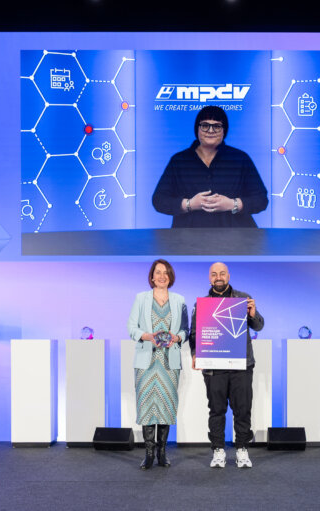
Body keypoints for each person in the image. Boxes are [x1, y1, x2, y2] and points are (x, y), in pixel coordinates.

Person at [189, 262, 264, 468]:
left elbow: (259, 326)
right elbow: (194, 334)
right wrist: (195, 354)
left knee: (243, 409)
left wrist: (253, 313)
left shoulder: (243, 299)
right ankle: (218, 450)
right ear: (209, 278)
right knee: (216, 410)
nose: (218, 277)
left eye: (222, 273)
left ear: (228, 276)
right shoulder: (202, 304)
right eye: (214, 274)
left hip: (241, 365)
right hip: (214, 367)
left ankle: (242, 449)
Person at [151, 105, 269, 228]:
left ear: (224, 131)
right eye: (205, 125)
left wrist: (232, 204)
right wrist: (189, 204)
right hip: (187, 236)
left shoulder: (240, 159)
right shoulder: (179, 161)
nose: (210, 131)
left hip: (236, 235)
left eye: (217, 126)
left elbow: (261, 200)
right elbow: (159, 200)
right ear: (197, 129)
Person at [127, 259, 188, 470]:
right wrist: (148, 336)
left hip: (169, 363)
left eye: (165, 272)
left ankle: (162, 453)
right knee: (146, 406)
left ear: (170, 277)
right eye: (158, 272)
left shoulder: (179, 300)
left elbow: (185, 331)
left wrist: (176, 338)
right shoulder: (141, 298)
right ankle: (148, 454)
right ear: (152, 276)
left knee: (165, 406)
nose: (162, 276)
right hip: (146, 361)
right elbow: (131, 328)